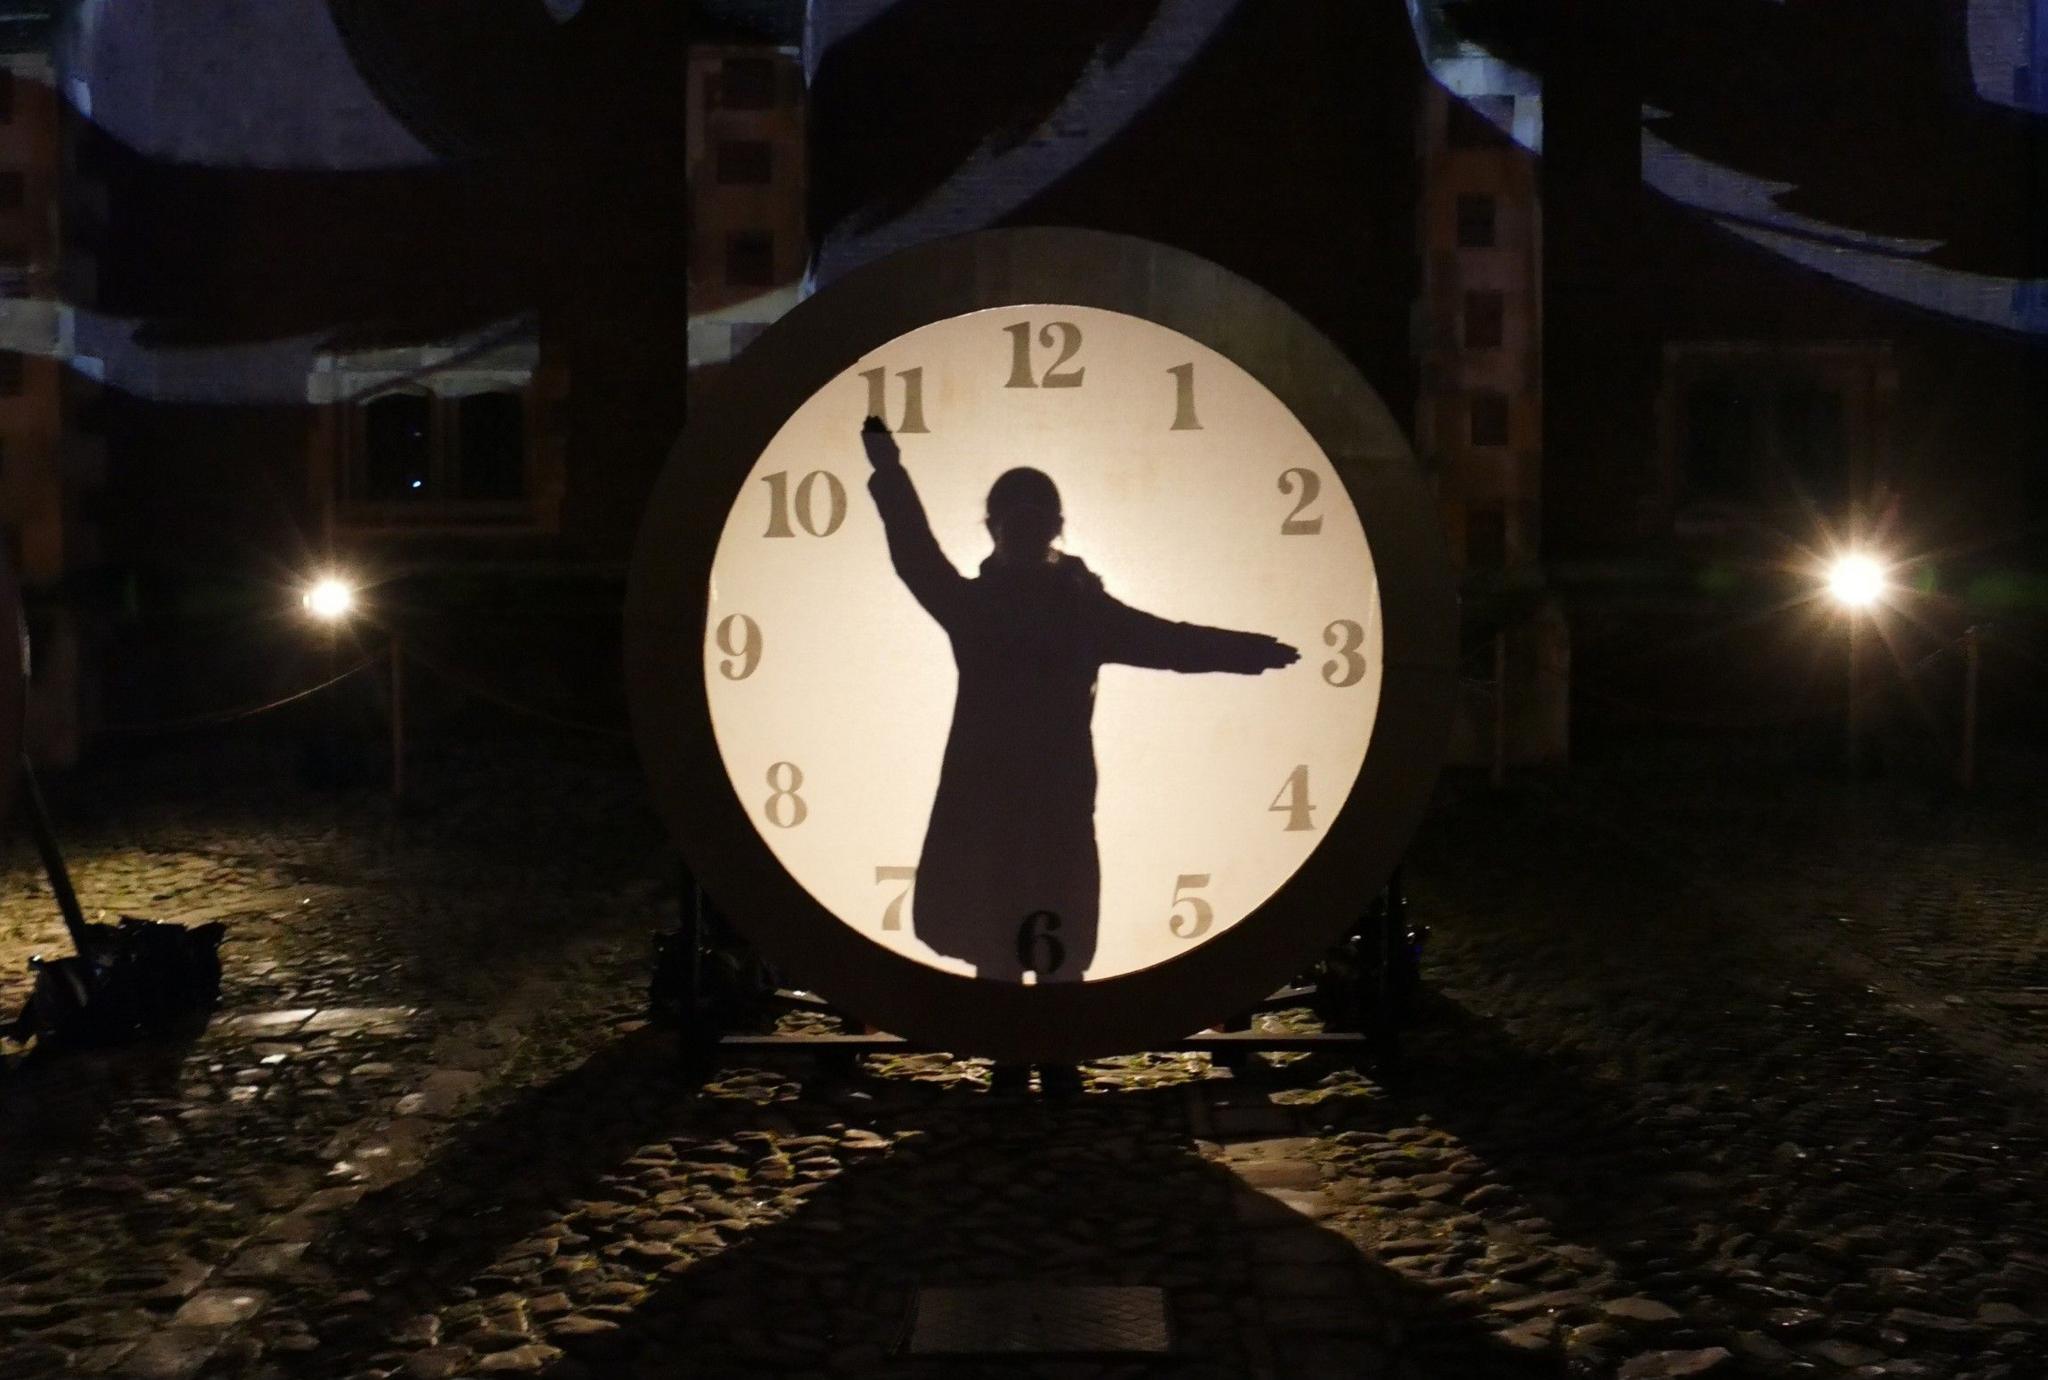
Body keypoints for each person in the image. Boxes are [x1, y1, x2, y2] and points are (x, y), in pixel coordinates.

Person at [859, 416, 1298, 984]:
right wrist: (1247, 651)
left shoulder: (980, 609)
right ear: (1056, 528)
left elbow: (916, 556)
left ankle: (1013, 1063)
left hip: (990, 792)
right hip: (1057, 792)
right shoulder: (1081, 613)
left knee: (998, 951)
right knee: (1056, 947)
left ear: (994, 527)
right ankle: (1056, 1060)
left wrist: (891, 474)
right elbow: (1171, 643)